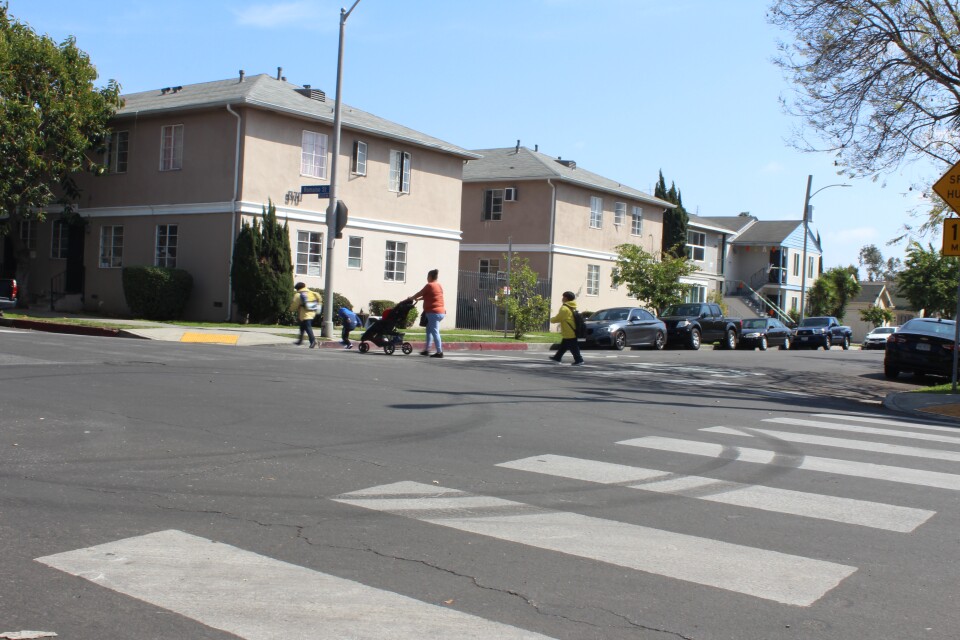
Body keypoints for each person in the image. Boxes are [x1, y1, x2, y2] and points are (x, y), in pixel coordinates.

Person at [409, 268, 446, 358]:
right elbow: (431, 296)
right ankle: (427, 350)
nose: (427, 278)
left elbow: (420, 293)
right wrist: (420, 299)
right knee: (429, 330)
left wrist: (412, 298)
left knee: (434, 331)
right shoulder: (439, 286)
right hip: (441, 312)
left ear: (430, 277)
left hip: (433, 312)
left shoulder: (429, 285)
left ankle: (439, 352)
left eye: (427, 276)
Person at [549, 291, 584, 365]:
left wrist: (551, 319)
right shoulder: (571, 307)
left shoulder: (564, 308)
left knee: (573, 346)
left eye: (563, 297)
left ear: (566, 298)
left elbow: (559, 318)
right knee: (564, 345)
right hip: (571, 329)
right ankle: (557, 357)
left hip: (569, 330)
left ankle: (579, 360)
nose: (562, 298)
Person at [289, 282, 320, 348]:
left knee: (308, 328)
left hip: (304, 314)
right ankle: (300, 341)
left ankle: (313, 341)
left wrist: (291, 309)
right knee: (302, 327)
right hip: (312, 313)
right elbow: (319, 299)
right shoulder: (312, 293)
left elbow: (294, 304)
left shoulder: (298, 294)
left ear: (297, 288)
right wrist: (318, 310)